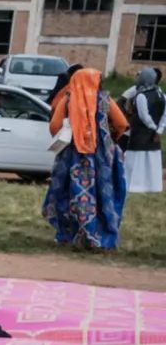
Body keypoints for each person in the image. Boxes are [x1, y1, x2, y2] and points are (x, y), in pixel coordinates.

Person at [43, 68, 128, 251]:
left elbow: (54, 127)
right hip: (103, 159)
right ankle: (101, 237)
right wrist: (109, 139)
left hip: (71, 158)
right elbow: (121, 123)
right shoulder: (105, 100)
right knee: (103, 196)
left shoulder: (67, 100)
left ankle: (70, 235)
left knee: (69, 194)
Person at [126, 68, 161, 193]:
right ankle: (151, 185)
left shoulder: (141, 95)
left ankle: (134, 185)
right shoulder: (161, 94)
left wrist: (153, 128)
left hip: (140, 132)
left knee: (135, 160)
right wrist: (159, 131)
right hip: (154, 133)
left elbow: (144, 116)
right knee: (150, 160)